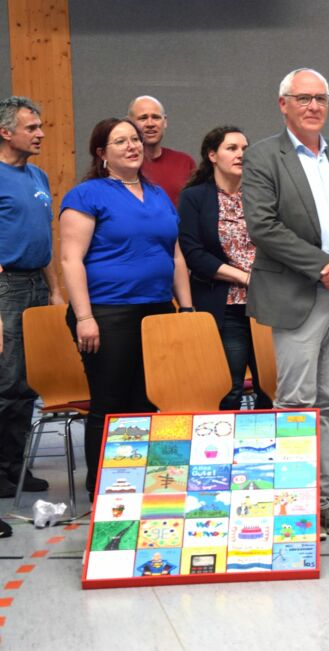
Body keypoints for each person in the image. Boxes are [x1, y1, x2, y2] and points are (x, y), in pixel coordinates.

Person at [242, 68, 329, 538]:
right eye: (303, 98)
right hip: (298, 293)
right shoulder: (263, 156)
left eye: (321, 97)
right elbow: (263, 226)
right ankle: (292, 509)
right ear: (283, 104)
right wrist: (326, 266)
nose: (314, 106)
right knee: (296, 403)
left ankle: (321, 504)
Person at [60, 117, 194, 498]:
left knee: (148, 401)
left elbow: (175, 256)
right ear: (101, 153)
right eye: (121, 141)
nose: (132, 146)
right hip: (106, 312)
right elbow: (71, 259)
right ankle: (102, 490)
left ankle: (141, 488)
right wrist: (84, 317)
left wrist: (186, 310)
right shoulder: (87, 195)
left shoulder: (157, 194)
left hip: (157, 311)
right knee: (111, 401)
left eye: (134, 139)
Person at [177, 126, 272, 411]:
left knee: (272, 386)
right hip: (224, 304)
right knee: (229, 388)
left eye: (245, 149)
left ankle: (263, 439)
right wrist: (244, 277)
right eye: (232, 148)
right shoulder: (195, 197)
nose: (241, 154)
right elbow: (193, 253)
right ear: (212, 155)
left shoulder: (263, 195)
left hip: (266, 303)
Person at [0, 96, 63, 500]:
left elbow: (44, 239)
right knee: (7, 381)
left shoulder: (38, 175)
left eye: (40, 127)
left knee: (27, 383)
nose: (40, 134)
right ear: (6, 132)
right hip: (7, 286)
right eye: (32, 128)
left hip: (37, 284)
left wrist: (55, 289)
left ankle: (14, 466)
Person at [128, 96, 196, 206]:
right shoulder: (123, 166)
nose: (150, 124)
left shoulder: (185, 162)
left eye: (156, 117)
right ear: (130, 124)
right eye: (143, 118)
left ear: (165, 122)